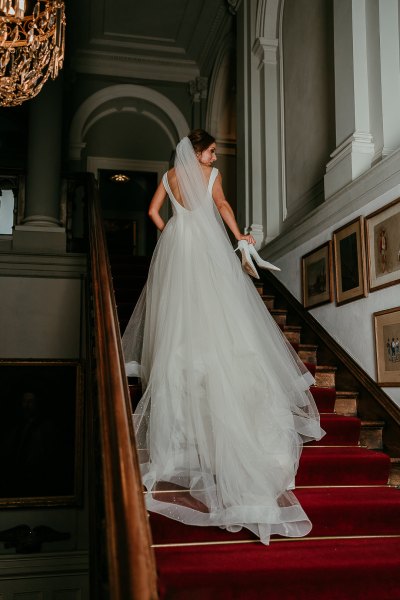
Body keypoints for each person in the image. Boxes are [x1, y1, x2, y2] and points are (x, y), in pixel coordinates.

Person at [122, 129, 325, 545]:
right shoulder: (209, 178)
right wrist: (239, 236)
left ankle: (180, 421)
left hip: (177, 245)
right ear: (198, 152)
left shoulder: (168, 177)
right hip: (204, 244)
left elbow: (152, 214)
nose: (215, 159)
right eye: (212, 152)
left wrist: (171, 232)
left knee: (180, 315)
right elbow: (223, 205)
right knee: (218, 307)